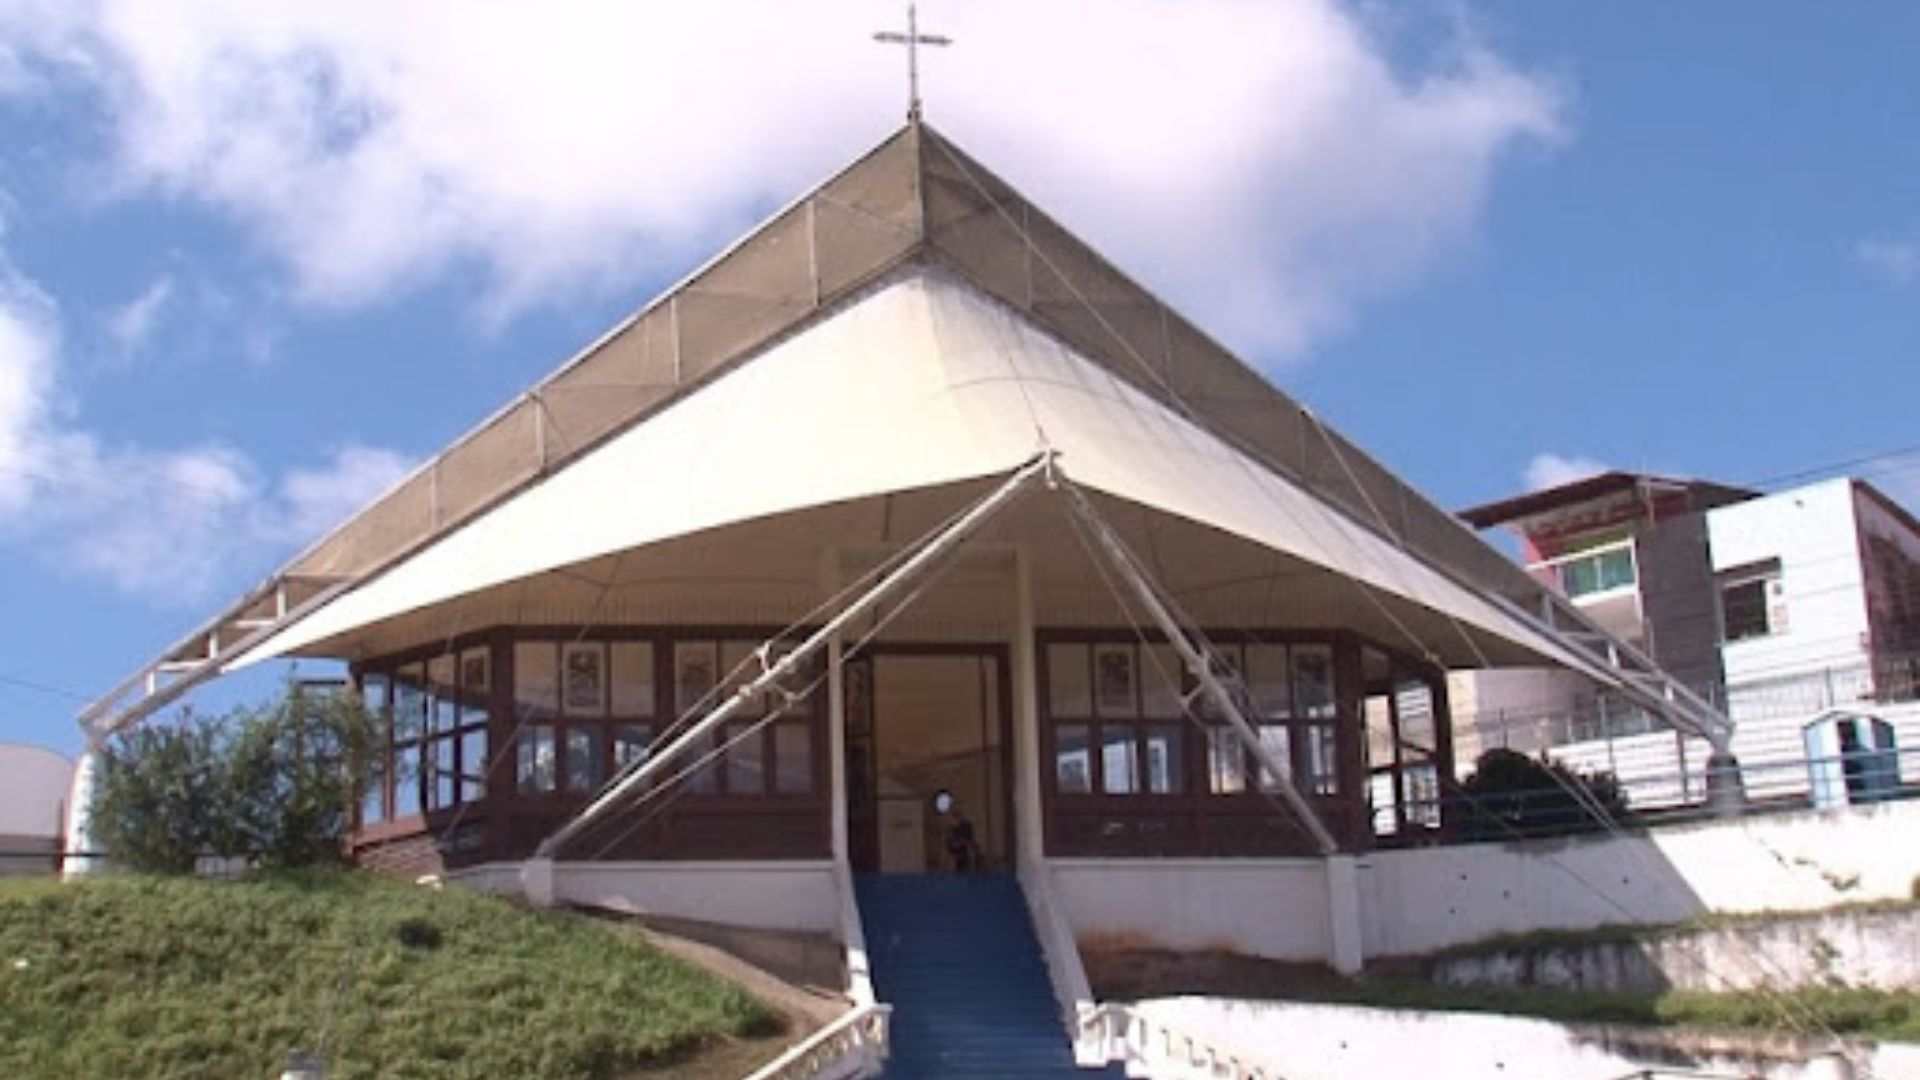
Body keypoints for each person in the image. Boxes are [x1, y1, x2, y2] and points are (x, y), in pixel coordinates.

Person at [934, 789, 981, 873]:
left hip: (964, 858)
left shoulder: (965, 827)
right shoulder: (950, 830)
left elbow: (969, 843)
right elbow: (949, 845)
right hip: (956, 858)